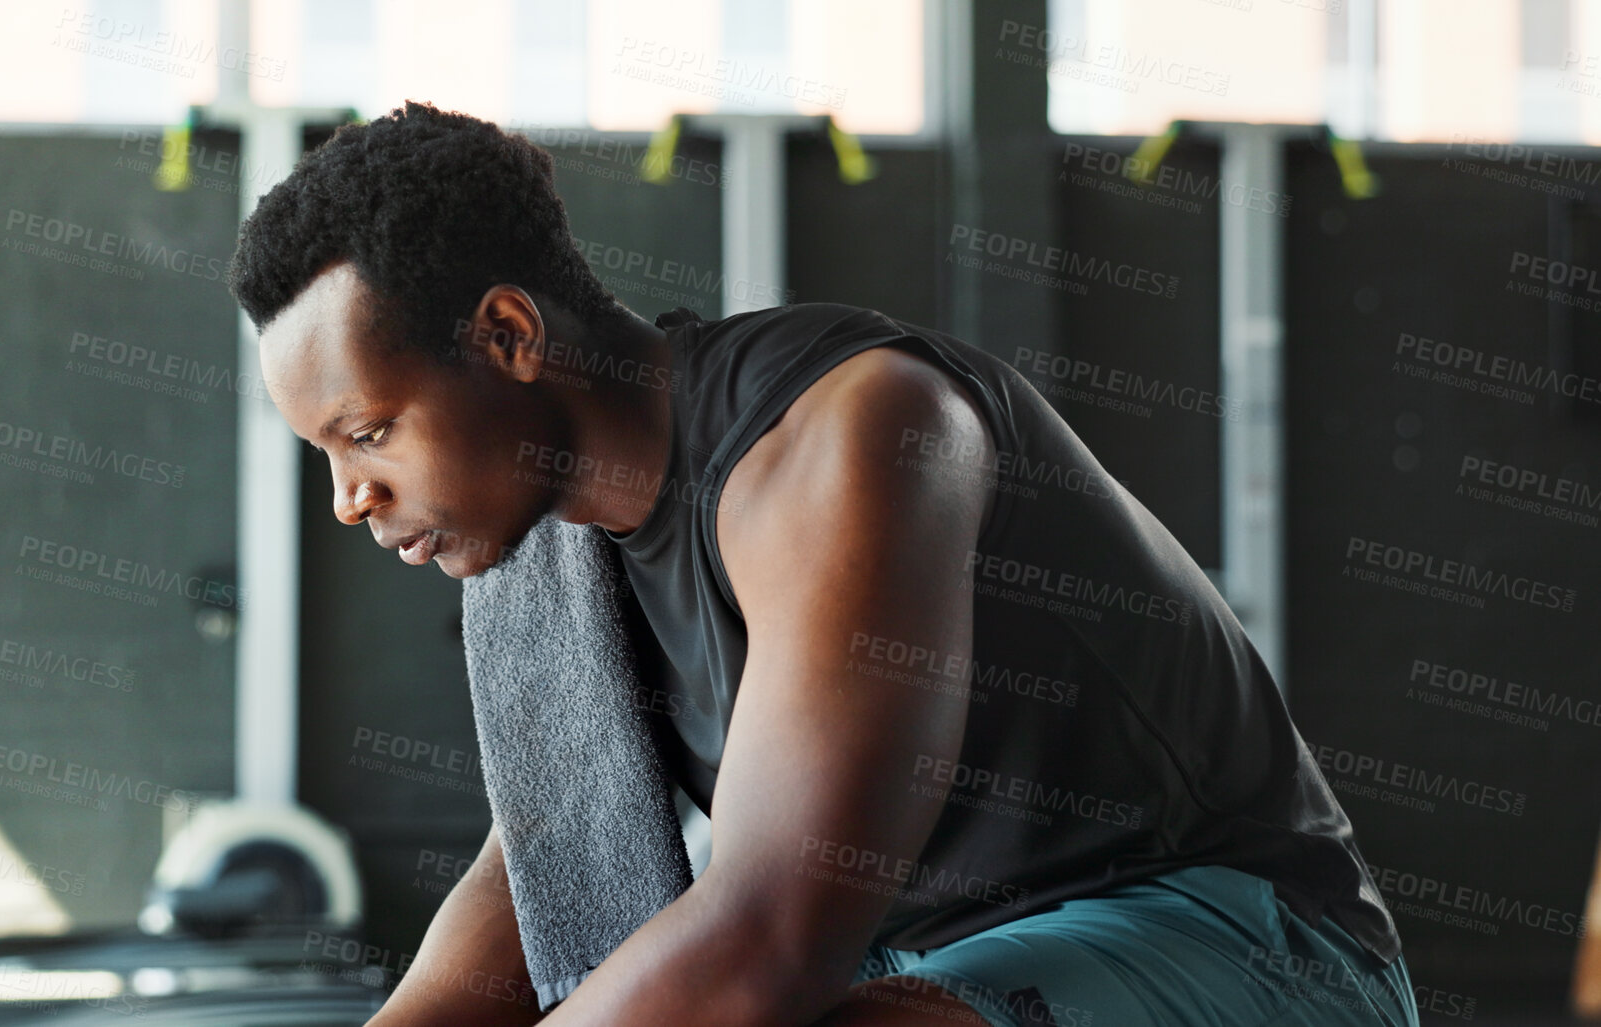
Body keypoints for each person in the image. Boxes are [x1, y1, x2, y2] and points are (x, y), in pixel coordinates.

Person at [227, 101, 1420, 1027]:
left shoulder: (849, 433)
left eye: (367, 431)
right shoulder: (558, 564)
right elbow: (523, 899)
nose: (348, 497)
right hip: (931, 966)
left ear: (508, 336)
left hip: (1242, 946)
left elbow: (763, 944)